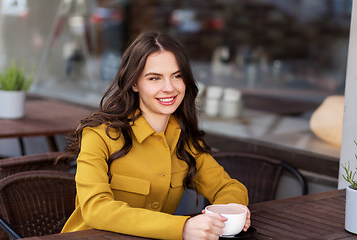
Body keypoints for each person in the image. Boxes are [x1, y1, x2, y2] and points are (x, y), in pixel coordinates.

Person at [61, 31, 250, 240]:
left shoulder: (183, 139)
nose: (169, 88)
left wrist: (231, 211)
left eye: (177, 76)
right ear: (134, 83)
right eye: (154, 78)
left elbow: (228, 187)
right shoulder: (99, 135)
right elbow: (96, 209)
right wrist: (183, 228)